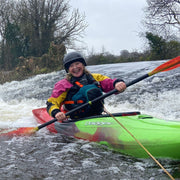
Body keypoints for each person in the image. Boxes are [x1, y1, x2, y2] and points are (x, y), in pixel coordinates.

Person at [46, 52, 126, 122]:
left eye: (77, 64)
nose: (75, 67)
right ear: (68, 69)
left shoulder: (95, 77)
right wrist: (56, 112)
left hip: (97, 114)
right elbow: (52, 102)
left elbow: (109, 83)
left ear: (83, 64)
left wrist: (117, 83)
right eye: (71, 66)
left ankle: (96, 116)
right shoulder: (63, 84)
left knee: (92, 89)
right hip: (75, 117)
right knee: (89, 90)